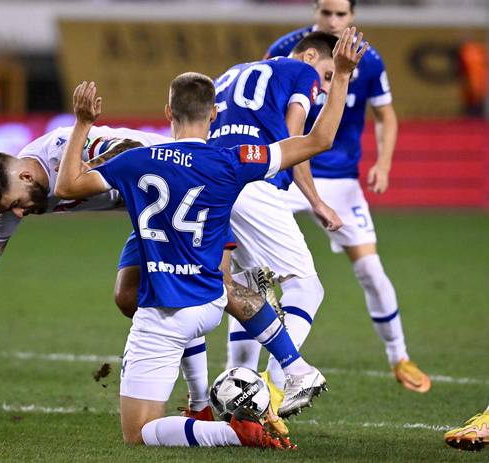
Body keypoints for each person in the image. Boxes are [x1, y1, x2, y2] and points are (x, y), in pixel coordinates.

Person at [54, 27, 365, 448]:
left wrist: (82, 123)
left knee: (138, 433)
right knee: (245, 287)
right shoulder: (235, 159)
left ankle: (230, 429)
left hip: (162, 313)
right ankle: (289, 367)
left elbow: (67, 186)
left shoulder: (136, 161)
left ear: (168, 111)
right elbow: (317, 139)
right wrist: (342, 76)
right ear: (214, 114)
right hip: (211, 303)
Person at [265, 0, 430, 393]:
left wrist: (384, 164)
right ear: (316, 12)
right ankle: (248, 374)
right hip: (289, 170)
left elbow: (385, 115)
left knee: (371, 270)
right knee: (254, 275)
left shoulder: (368, 60)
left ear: (352, 16)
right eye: (327, 13)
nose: (334, 21)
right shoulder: (288, 48)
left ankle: (399, 356)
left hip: (340, 179)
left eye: (341, 14)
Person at [0, 126, 169, 356]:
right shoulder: (9, 198)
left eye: (18, 204)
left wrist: (85, 173)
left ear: (26, 176)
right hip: (151, 215)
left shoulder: (62, 149)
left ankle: (193, 386)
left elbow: (133, 148)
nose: (18, 213)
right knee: (127, 297)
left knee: (183, 292)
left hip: (180, 183)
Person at [210, 32, 342, 418]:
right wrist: (315, 200)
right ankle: (284, 379)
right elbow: (295, 137)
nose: (326, 85)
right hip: (255, 184)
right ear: (310, 55)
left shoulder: (231, 73)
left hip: (215, 183)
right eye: (329, 75)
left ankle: (240, 404)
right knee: (306, 286)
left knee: (247, 291)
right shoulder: (300, 72)